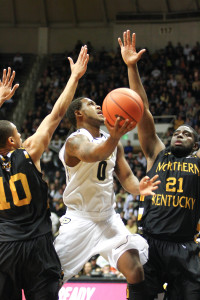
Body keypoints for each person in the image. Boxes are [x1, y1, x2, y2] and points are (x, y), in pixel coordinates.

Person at [0, 45, 89, 300]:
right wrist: (74, 77)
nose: (21, 134)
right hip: (37, 247)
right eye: (17, 132)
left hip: (5, 249)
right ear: (12, 142)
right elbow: (58, 113)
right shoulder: (29, 151)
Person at [118, 29, 200, 300]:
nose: (180, 134)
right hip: (149, 244)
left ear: (195, 145)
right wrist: (132, 67)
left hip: (185, 248)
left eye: (187, 133)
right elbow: (141, 108)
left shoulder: (197, 161)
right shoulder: (157, 152)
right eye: (177, 132)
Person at [54, 92, 160, 299]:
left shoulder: (112, 142)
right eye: (91, 104)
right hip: (79, 220)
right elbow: (93, 154)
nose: (99, 106)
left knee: (135, 270)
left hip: (107, 218)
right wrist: (115, 137)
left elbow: (127, 176)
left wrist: (140, 188)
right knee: (50, 277)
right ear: (78, 114)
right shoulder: (74, 142)